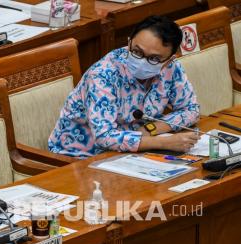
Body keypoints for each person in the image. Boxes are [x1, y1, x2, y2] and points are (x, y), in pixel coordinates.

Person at [48, 15, 200, 159]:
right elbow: (103, 136)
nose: (141, 61)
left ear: (169, 60)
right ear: (129, 42)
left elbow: (191, 110)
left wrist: (151, 129)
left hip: (130, 153)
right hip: (80, 157)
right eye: (136, 51)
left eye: (154, 58)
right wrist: (164, 142)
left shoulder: (171, 68)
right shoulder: (103, 75)